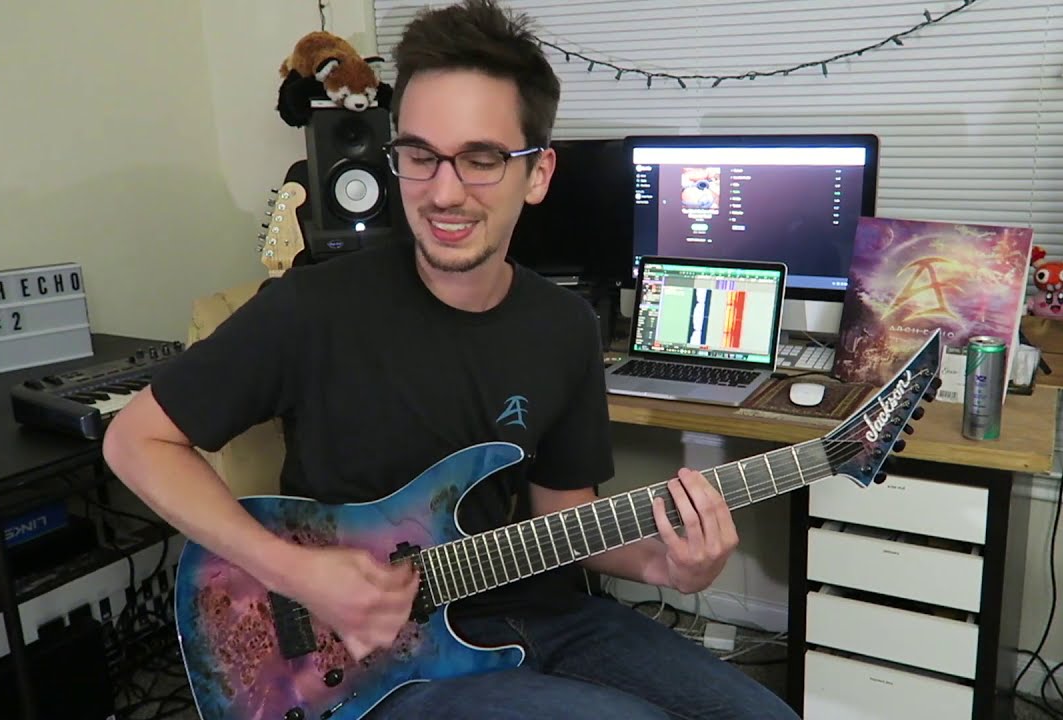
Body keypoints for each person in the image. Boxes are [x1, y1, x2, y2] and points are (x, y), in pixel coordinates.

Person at [102, 1, 799, 717]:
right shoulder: (312, 306)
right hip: (375, 657)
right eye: (419, 155)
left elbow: (566, 515)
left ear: (538, 173)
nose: (443, 192)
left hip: (540, 613)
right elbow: (136, 440)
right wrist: (298, 574)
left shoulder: (565, 327)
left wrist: (669, 564)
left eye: (481, 159)